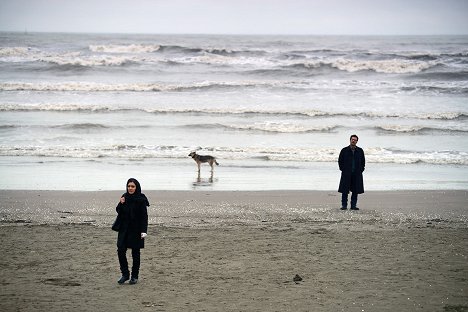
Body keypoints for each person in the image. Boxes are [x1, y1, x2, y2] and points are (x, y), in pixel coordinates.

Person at [115, 178, 149, 285]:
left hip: (136, 229)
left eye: (132, 186)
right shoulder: (124, 197)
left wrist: (144, 231)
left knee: (135, 253)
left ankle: (134, 276)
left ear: (136, 187)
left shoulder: (141, 199)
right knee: (120, 250)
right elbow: (118, 210)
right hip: (124, 229)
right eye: (129, 186)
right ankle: (125, 274)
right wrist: (120, 203)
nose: (130, 188)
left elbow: (144, 217)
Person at [338, 135, 365, 210]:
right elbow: (340, 160)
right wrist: (342, 169)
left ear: (357, 141)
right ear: (350, 140)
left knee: (355, 190)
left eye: (355, 140)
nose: (353, 141)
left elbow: (363, 162)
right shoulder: (344, 150)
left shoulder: (360, 150)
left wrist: (361, 169)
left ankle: (353, 205)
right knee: (345, 190)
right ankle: (344, 205)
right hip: (346, 173)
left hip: (356, 173)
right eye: (352, 139)